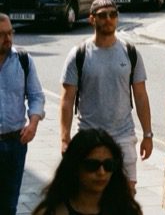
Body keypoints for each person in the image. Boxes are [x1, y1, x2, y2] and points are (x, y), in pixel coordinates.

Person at [60, 0, 153, 190]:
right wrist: (65, 138)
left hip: (124, 136)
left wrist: (148, 134)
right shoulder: (79, 54)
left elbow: (141, 96)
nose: (108, 19)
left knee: (126, 196)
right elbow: (67, 100)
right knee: (90, 196)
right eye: (103, 15)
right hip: (89, 136)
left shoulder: (130, 52)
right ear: (92, 19)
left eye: (113, 14)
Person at [32, 129, 142, 215]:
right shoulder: (51, 212)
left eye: (109, 165)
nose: (101, 172)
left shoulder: (127, 210)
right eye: (92, 165)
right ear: (75, 167)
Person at [0, 13, 44, 214]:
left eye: (10, 33)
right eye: (1, 35)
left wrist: (33, 123)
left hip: (14, 144)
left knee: (9, 204)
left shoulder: (23, 60)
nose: (8, 39)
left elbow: (36, 95)